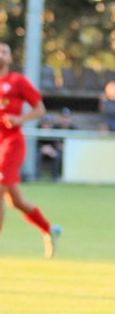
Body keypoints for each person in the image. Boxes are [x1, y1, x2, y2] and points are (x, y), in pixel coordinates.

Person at [0, 43, 61, 258]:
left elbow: (39, 108)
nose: (1, 54)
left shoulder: (17, 81)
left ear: (9, 58)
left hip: (12, 142)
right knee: (14, 199)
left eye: (4, 51)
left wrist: (20, 119)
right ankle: (48, 229)